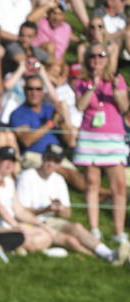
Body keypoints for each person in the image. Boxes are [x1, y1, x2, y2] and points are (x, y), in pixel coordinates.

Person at [17, 143, 129, 263]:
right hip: (30, 222)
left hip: (49, 220)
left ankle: (108, 253)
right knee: (71, 241)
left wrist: (60, 208)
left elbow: (67, 214)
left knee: (77, 227)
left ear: (60, 164)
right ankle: (108, 257)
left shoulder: (58, 180)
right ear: (43, 158)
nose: (51, 164)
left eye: (55, 161)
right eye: (49, 159)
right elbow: (22, 211)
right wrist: (47, 209)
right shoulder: (27, 176)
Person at [74, 42, 129, 246]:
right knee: (92, 184)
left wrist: (115, 91)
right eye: (93, 56)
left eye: (101, 56)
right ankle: (94, 228)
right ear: (88, 59)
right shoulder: (81, 81)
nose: (97, 60)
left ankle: (118, 231)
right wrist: (92, 86)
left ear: (107, 59)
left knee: (119, 187)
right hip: (90, 137)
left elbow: (124, 107)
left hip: (113, 137)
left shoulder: (117, 79)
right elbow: (80, 106)